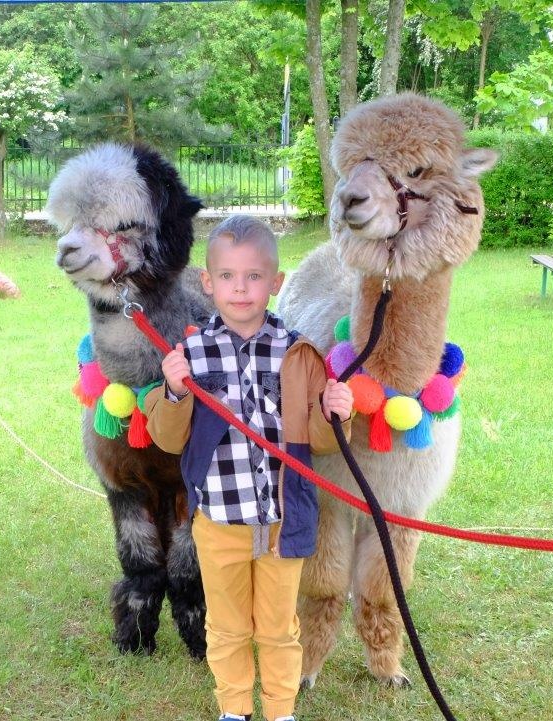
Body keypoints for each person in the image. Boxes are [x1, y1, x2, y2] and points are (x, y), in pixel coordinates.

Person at [145, 215, 353, 721]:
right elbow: (168, 438)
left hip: (282, 524)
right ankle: (234, 709)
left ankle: (281, 711)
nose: (240, 288)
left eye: (254, 276)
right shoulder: (191, 356)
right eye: (228, 276)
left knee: (279, 628)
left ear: (276, 283)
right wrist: (173, 392)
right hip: (219, 523)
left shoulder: (299, 353)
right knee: (228, 627)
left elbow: (319, 441)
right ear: (208, 282)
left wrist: (336, 413)